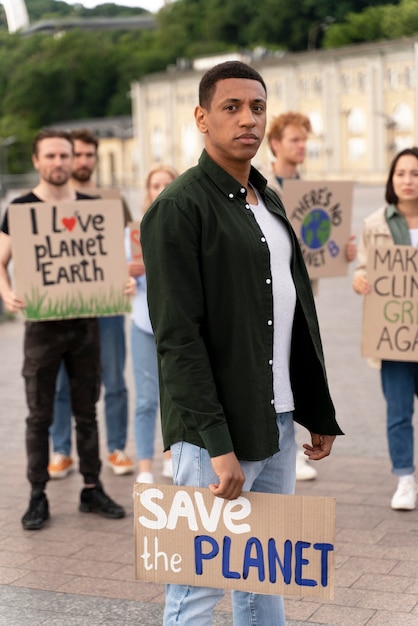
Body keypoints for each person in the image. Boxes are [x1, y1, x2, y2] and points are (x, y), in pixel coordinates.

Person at [141, 60, 343, 626]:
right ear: (202, 118)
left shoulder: (271, 200)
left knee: (263, 580)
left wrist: (313, 409)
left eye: (257, 107)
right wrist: (215, 445)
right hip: (216, 435)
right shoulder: (178, 208)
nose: (247, 119)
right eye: (231, 108)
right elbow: (178, 339)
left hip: (276, 420)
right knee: (196, 591)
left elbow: (292, 314)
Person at [0, 128, 125, 530]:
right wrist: (6, 293)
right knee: (39, 414)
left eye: (64, 156)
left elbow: (109, 264)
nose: (58, 163)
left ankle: (92, 486)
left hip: (86, 323)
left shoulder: (92, 208)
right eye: (50, 156)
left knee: (87, 411)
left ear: (74, 160)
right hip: (42, 326)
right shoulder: (20, 208)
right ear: (37, 161)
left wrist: (120, 283)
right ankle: (38, 494)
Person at [265, 111, 356, 481]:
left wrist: (341, 251)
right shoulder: (260, 184)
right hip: (266, 292)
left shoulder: (313, 191)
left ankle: (295, 450)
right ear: (276, 144)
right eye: (294, 140)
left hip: (302, 294)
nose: (301, 147)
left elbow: (319, 243)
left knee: (298, 367)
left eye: (304, 140)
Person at [48, 128, 134, 479]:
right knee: (61, 382)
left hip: (108, 307)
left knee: (113, 379)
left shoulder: (113, 200)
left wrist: (131, 274)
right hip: (64, 309)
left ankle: (116, 448)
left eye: (89, 156)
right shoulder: (50, 201)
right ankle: (60, 450)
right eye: (77, 154)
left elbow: (133, 247)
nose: (82, 162)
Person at [353, 146, 418, 511]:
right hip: (394, 335)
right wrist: (359, 282)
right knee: (398, 412)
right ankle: (405, 478)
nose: (408, 180)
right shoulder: (375, 224)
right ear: (392, 180)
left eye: (415, 173)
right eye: (401, 173)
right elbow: (364, 269)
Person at [126, 164, 178, 483]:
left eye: (166, 183)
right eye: (154, 184)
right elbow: (121, 273)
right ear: (147, 191)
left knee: (176, 394)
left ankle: (172, 456)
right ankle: (145, 466)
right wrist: (128, 281)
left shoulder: (187, 226)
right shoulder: (134, 232)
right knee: (146, 398)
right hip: (144, 324)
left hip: (176, 324)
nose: (159, 188)